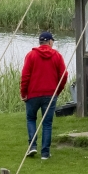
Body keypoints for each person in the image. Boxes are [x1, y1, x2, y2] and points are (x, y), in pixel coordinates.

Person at [20, 31, 67, 160]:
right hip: (50, 94)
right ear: (50, 41)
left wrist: (24, 93)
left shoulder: (31, 55)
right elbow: (64, 75)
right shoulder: (57, 56)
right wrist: (58, 90)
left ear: (40, 42)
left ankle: (32, 146)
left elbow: (25, 76)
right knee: (47, 123)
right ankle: (45, 153)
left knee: (31, 119)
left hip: (33, 94)